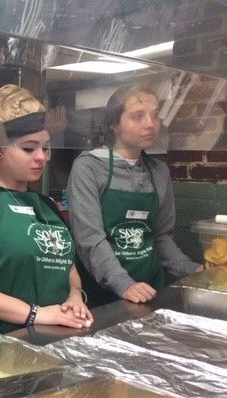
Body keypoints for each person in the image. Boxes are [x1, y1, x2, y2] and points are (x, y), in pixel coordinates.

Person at [0, 84, 93, 337]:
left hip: (54, 336)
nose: (41, 157)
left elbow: (67, 267)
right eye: (28, 148)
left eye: (45, 147)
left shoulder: (46, 206)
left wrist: (75, 296)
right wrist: (36, 314)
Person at [67, 85, 201, 307]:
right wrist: (123, 283)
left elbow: (161, 238)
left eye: (155, 115)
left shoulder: (159, 172)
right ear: (114, 124)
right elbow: (90, 239)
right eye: (138, 116)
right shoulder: (89, 167)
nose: (150, 123)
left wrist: (193, 269)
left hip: (150, 290)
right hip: (103, 297)